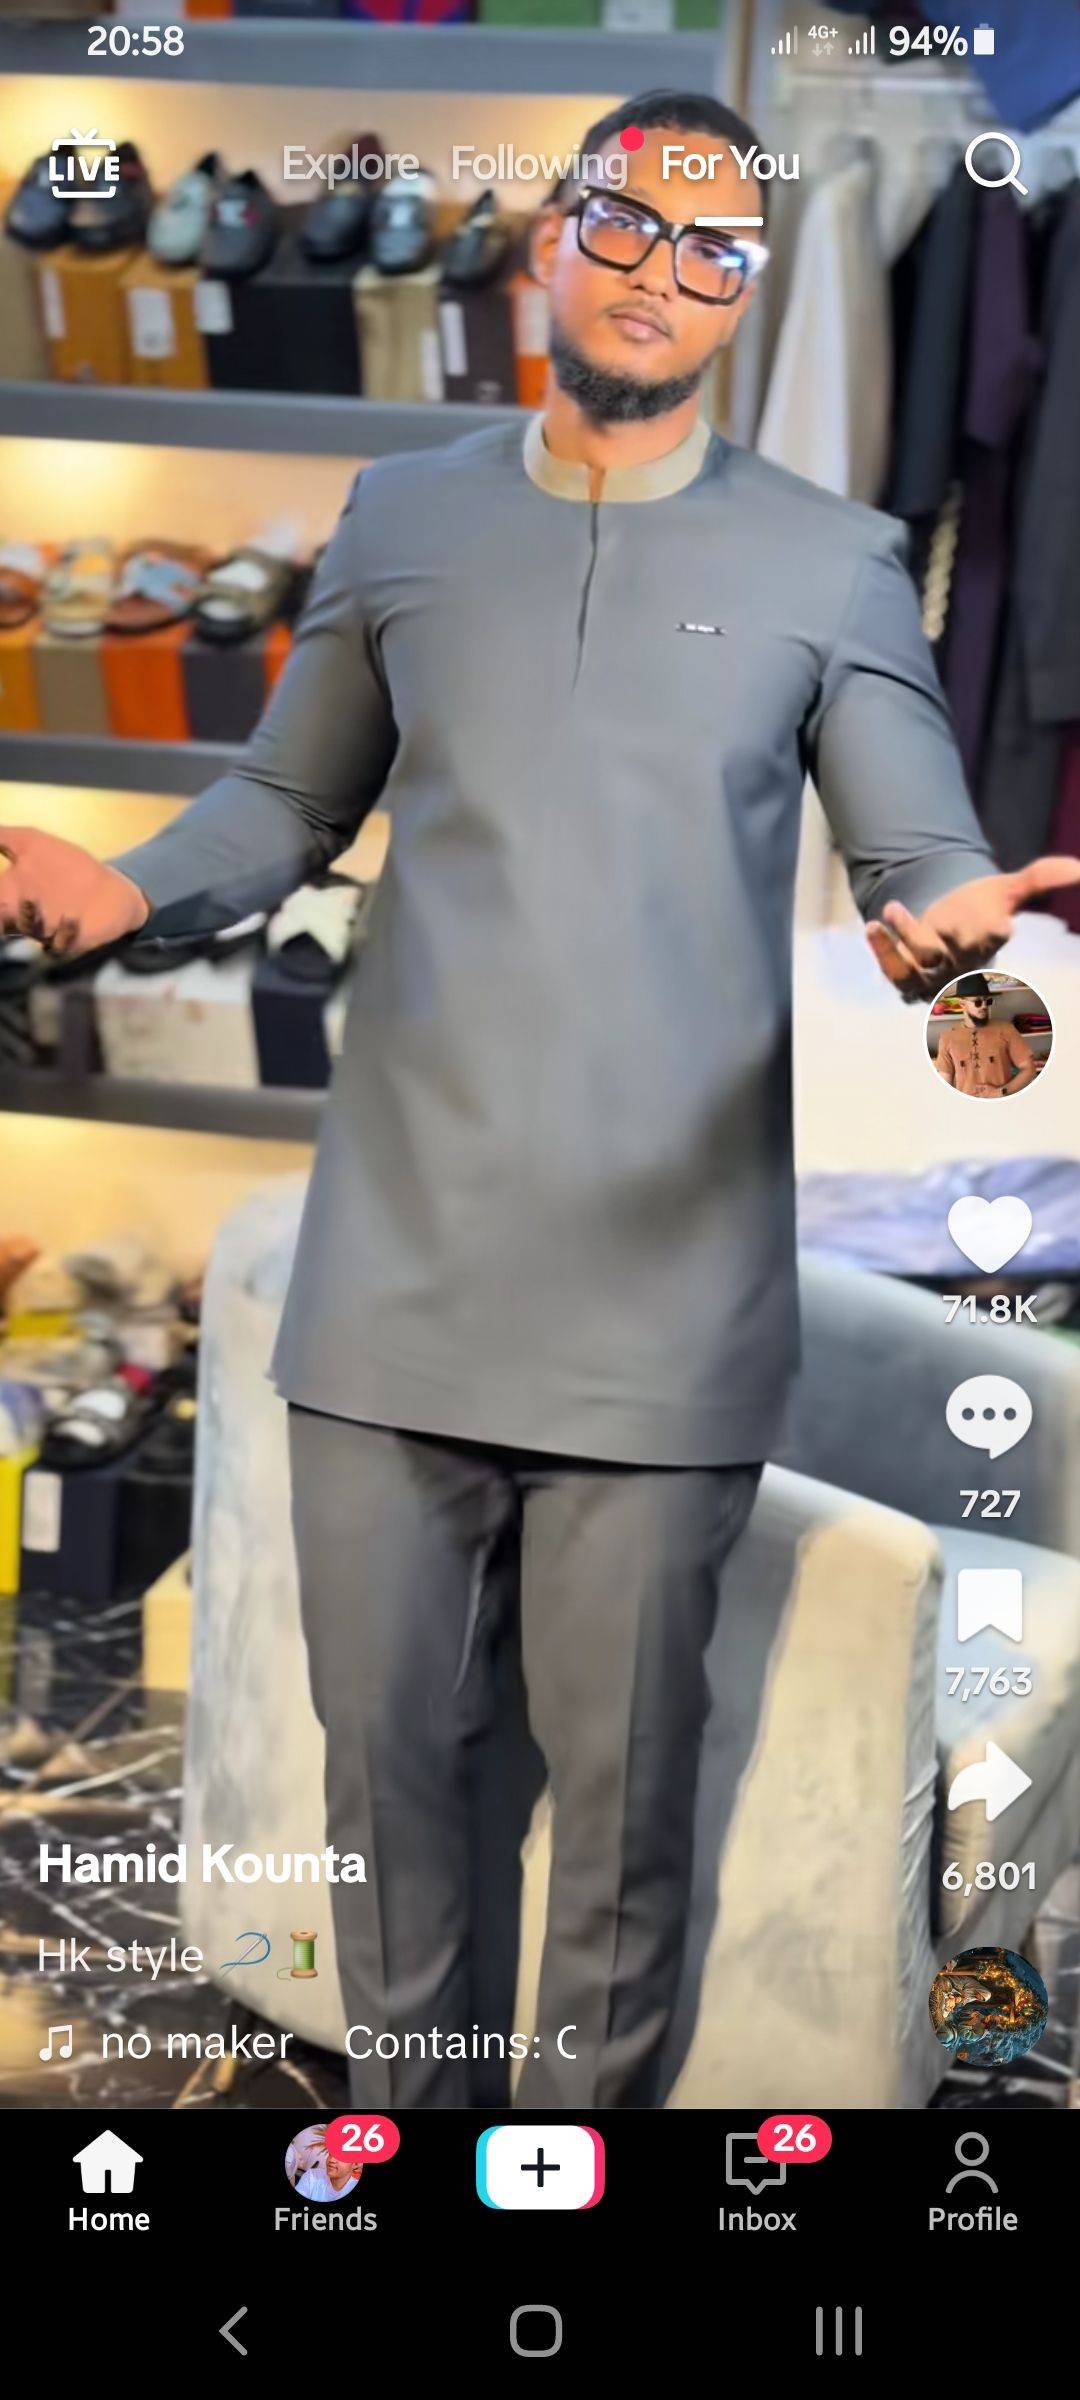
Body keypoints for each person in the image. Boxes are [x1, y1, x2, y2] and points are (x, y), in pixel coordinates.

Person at [2, 89, 1078, 2111]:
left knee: (623, 1827)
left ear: (747, 297)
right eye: (627, 221)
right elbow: (282, 800)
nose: (665, 270)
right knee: (393, 1791)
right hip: (396, 1287)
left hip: (665, 1307)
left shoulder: (837, 563)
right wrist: (128, 887)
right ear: (548, 242)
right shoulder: (403, 519)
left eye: (717, 248)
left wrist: (955, 938)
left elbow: (923, 848)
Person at [934, 972, 1041, 1097]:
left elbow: (1029, 1069)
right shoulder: (947, 1038)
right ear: (962, 1004)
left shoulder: (1005, 1029)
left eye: (987, 1001)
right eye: (978, 1002)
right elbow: (944, 1082)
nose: (984, 1006)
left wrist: (1000, 1092)